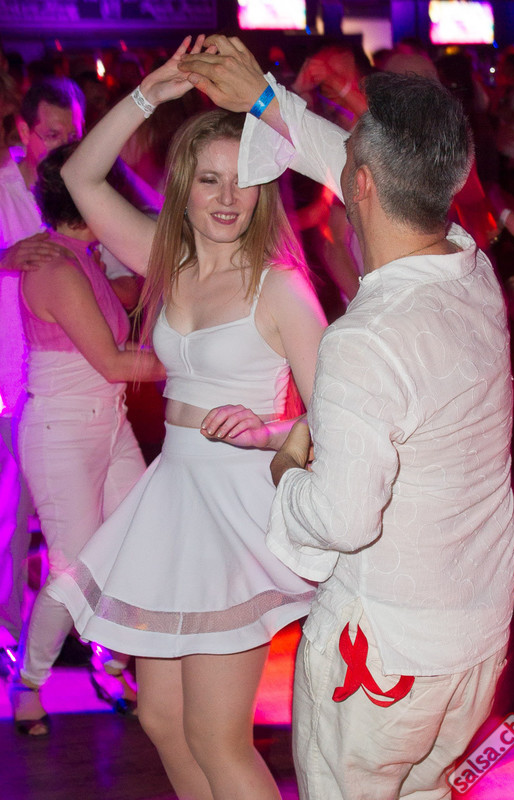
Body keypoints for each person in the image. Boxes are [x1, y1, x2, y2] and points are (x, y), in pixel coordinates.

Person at [181, 36, 514, 800]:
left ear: (359, 184)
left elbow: (338, 518)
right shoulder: (466, 262)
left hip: (383, 654)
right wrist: (265, 102)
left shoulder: (366, 339)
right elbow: (364, 166)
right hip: (471, 637)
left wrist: (285, 471)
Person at [50, 36, 326, 799]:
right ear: (185, 187)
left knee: (214, 735)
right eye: (209, 180)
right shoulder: (167, 264)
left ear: (264, 190)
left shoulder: (279, 287)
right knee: (162, 722)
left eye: (243, 181)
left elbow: (340, 421)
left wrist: (268, 432)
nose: (227, 197)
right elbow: (78, 176)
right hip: (175, 494)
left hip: (235, 506)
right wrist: (154, 91)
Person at [10, 141, 166, 737]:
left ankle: (114, 660)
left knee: (139, 543)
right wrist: (200, 364)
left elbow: (120, 328)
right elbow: (114, 362)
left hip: (108, 422)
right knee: (74, 571)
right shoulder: (54, 265)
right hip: (61, 431)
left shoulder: (84, 255)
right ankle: (28, 683)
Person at [0, 77, 85, 653]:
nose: (64, 146)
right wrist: (6, 256)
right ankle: (8, 637)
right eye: (52, 135)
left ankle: (83, 638)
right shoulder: (3, 187)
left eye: (72, 134)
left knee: (71, 521)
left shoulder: (83, 185)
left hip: (70, 380)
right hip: (10, 378)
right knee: (9, 518)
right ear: (23, 131)